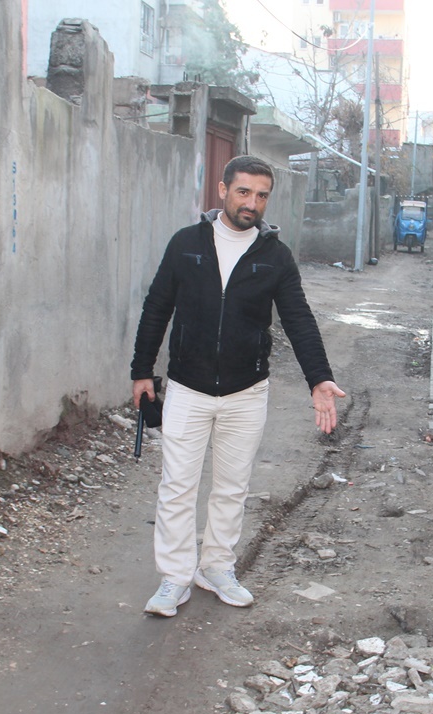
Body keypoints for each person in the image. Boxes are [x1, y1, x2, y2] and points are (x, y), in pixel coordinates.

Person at [131, 155, 345, 618]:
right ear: (223, 191)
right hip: (188, 388)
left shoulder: (275, 256)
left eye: (262, 195)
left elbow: (299, 318)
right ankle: (174, 577)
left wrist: (319, 378)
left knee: (231, 487)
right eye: (244, 191)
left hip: (246, 391)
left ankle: (217, 567)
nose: (252, 202)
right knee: (178, 485)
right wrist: (141, 370)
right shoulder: (187, 244)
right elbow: (156, 307)